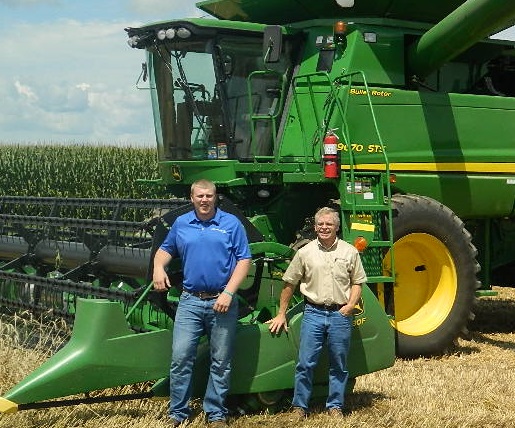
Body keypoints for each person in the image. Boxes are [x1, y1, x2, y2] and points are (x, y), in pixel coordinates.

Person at [153, 179, 252, 427]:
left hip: (223, 300)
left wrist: (229, 293)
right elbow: (166, 249)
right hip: (190, 301)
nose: (204, 200)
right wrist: (157, 267)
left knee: (221, 360)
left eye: (209, 196)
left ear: (215, 197)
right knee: (181, 357)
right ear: (192, 197)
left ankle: (215, 413)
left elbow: (244, 259)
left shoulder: (231, 223)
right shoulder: (182, 223)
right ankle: (178, 412)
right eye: (200, 196)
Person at [266, 206, 367, 418]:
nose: (324, 227)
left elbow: (358, 282)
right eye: (320, 224)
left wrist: (350, 306)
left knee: (339, 364)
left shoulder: (349, 252)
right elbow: (289, 283)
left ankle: (335, 406)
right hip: (313, 313)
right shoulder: (305, 253)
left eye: (328, 224)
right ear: (314, 227)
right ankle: (300, 406)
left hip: (340, 314)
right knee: (305, 362)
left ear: (337, 227)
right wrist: (281, 313)